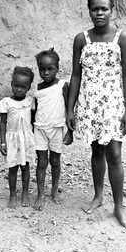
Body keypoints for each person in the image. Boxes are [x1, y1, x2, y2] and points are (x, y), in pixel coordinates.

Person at [66, 0, 126, 228]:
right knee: (96, 151)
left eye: (104, 8)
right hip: (90, 105)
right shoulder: (81, 39)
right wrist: (70, 109)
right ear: (89, 11)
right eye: (95, 9)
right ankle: (98, 195)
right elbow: (76, 75)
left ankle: (118, 207)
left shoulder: (121, 38)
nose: (99, 13)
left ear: (111, 10)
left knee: (114, 154)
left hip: (113, 106)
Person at [33, 48, 73, 210]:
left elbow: (70, 109)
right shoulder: (39, 87)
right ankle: (40, 194)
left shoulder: (62, 85)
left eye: (50, 69)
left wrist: (71, 132)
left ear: (57, 68)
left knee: (55, 161)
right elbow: (36, 109)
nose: (46, 73)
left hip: (57, 129)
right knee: (41, 162)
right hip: (40, 129)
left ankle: (54, 191)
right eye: (42, 69)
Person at [0, 66, 36, 209]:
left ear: (28, 88)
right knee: (13, 168)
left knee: (25, 167)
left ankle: (25, 193)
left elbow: (32, 121)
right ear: (11, 84)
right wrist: (2, 143)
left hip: (26, 138)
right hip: (12, 139)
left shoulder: (30, 102)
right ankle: (13, 194)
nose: (19, 89)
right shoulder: (6, 102)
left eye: (23, 87)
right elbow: (2, 123)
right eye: (16, 85)